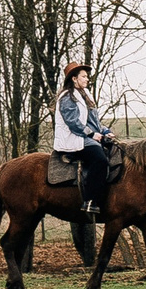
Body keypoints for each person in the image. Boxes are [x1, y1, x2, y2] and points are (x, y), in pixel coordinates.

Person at [54, 63, 117, 218]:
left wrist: (105, 131)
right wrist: (91, 135)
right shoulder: (67, 97)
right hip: (72, 138)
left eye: (86, 76)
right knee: (100, 159)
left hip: (83, 135)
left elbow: (93, 121)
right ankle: (90, 200)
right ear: (74, 79)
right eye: (84, 76)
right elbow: (73, 122)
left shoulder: (85, 94)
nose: (87, 79)